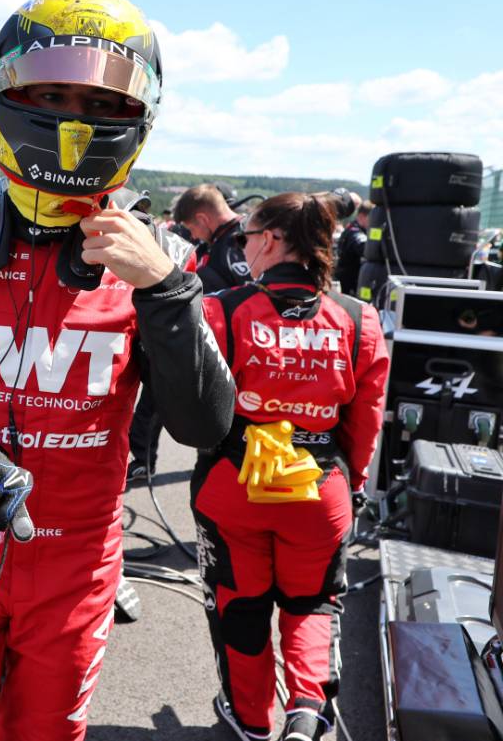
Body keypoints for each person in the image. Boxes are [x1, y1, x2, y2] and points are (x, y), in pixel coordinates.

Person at [0, 0, 234, 740]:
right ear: (8, 91)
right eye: (55, 92)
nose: (76, 118)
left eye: (104, 103)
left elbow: (206, 423)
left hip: (76, 570)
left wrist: (166, 290)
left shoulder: (160, 263)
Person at [193, 193, 388, 741]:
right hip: (319, 488)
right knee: (312, 604)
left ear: (272, 240)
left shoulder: (222, 308)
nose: (243, 247)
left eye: (245, 238)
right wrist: (354, 485)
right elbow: (366, 421)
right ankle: (306, 714)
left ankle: (253, 722)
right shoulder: (358, 318)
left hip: (236, 487)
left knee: (241, 606)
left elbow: (194, 411)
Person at [174, 183, 253, 292]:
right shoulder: (216, 240)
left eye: (191, 228)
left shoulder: (245, 240)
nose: (193, 235)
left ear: (203, 219)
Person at [334, 200, 371, 296]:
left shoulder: (354, 228)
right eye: (371, 218)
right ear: (362, 216)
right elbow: (364, 247)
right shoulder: (354, 232)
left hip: (348, 282)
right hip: (348, 285)